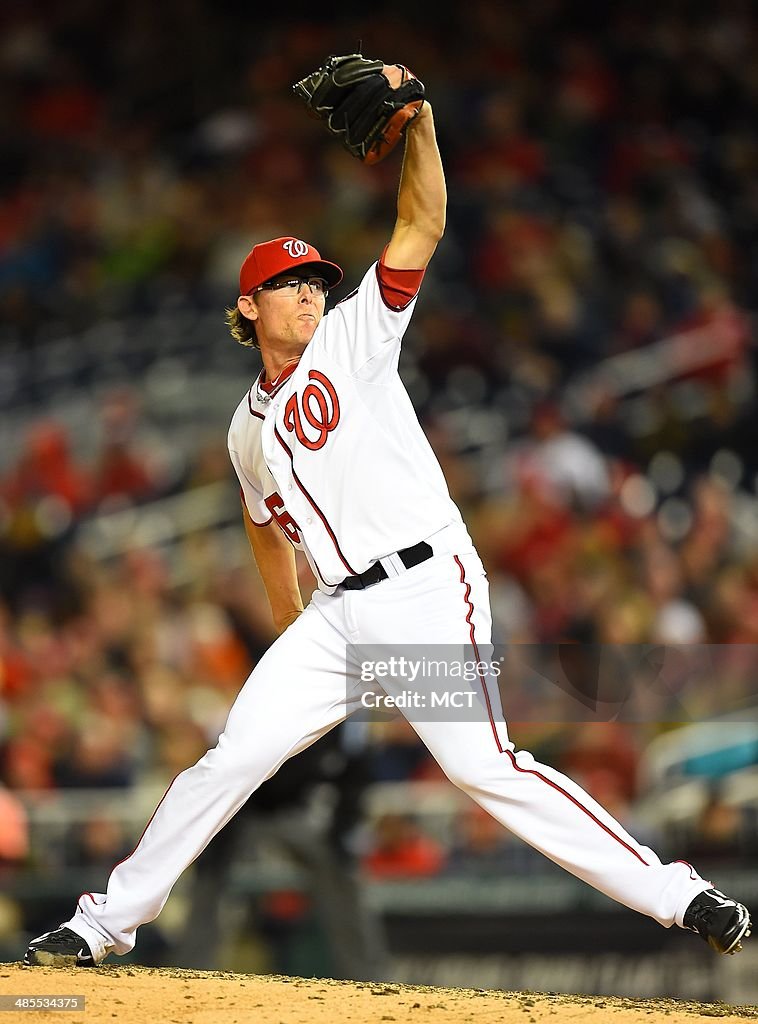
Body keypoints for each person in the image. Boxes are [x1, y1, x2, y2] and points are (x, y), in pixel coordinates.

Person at [25, 67, 750, 970]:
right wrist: (292, 623)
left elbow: (423, 224)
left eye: (314, 281)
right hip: (336, 614)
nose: (309, 293)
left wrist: (423, 126)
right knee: (234, 754)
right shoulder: (244, 430)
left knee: (486, 768)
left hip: (424, 590)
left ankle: (681, 896)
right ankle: (104, 923)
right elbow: (260, 521)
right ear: (248, 307)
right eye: (288, 284)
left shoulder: (353, 338)